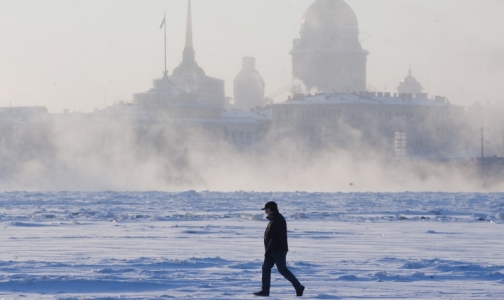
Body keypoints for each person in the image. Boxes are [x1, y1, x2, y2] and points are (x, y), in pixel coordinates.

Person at [254, 201, 305, 297]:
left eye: (266, 209)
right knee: (266, 268)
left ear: (271, 209)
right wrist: (269, 250)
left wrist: (269, 250)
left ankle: (298, 287)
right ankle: (265, 291)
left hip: (278, 250)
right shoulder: (274, 219)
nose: (265, 212)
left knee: (282, 270)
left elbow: (276, 237)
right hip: (272, 250)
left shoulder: (278, 220)